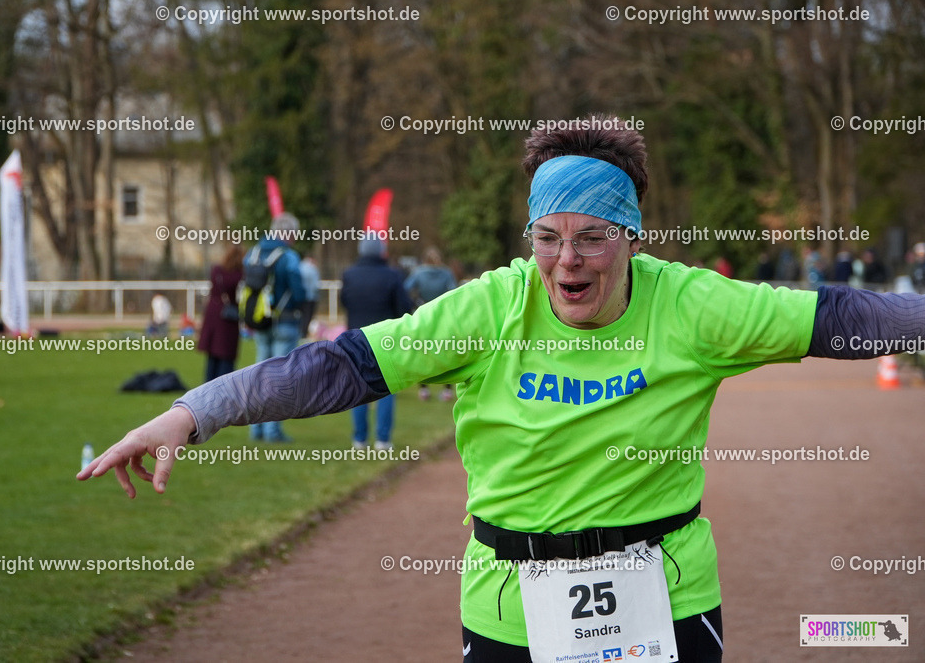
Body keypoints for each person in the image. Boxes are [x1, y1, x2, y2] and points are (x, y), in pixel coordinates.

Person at [78, 116, 925, 663]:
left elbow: (841, 314)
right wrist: (195, 410)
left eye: (593, 239)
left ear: (632, 237)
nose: (568, 261)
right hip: (511, 609)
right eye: (550, 238)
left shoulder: (694, 305)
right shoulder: (489, 306)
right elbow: (341, 366)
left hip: (663, 601)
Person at [341, 234, 413, 449]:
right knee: (386, 388)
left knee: (358, 389)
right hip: (385, 338)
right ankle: (383, 439)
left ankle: (359, 439)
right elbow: (404, 308)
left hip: (355, 338)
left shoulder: (349, 274)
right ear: (381, 251)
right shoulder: (392, 275)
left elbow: (345, 301)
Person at [244, 213, 307, 443]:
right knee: (280, 378)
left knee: (260, 375)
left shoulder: (253, 253)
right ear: (288, 232)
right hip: (285, 321)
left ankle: (256, 429)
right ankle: (273, 432)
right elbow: (299, 291)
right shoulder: (289, 257)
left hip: (260, 321)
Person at [404, 246, 457, 400]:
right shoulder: (446, 273)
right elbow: (454, 291)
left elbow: (405, 288)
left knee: (422, 351)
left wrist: (415, 301)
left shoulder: (418, 273)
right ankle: (447, 389)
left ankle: (424, 389)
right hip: (442, 315)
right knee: (446, 351)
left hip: (423, 313)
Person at [196, 246, 243, 382]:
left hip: (212, 315)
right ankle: (223, 389)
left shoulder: (216, 271)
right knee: (226, 356)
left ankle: (208, 387)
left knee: (212, 356)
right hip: (228, 317)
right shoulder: (238, 275)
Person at [298, 255, 320, 339]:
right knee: (307, 316)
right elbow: (315, 285)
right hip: (310, 297)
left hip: (300, 297)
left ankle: (299, 332)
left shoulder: (299, 266)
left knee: (300, 315)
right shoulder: (313, 269)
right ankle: (304, 334)